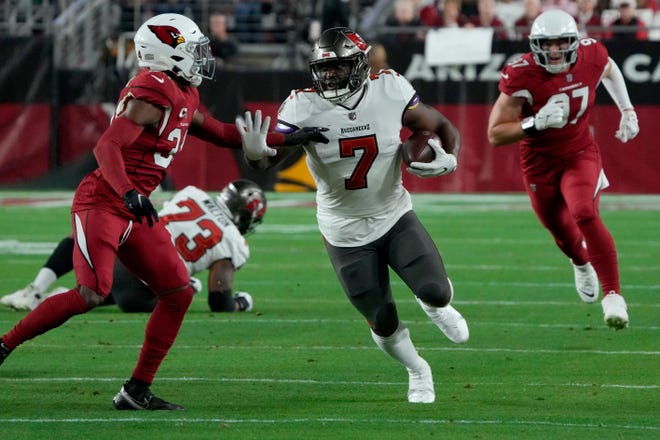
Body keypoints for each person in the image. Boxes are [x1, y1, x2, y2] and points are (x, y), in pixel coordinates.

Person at [0, 13, 326, 410]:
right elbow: (107, 147)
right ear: (167, 54)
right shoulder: (153, 89)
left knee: (177, 292)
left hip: (134, 206)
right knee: (90, 292)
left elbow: (222, 132)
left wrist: (290, 137)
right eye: (192, 50)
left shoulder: (182, 91)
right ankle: (3, 345)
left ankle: (136, 390)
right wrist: (128, 193)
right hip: (104, 201)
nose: (202, 57)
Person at [235, 27, 469, 404]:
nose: (329, 76)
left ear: (360, 65)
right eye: (323, 68)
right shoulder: (300, 105)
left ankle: (433, 306)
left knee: (436, 291)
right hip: (342, 229)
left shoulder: (390, 88)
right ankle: (417, 370)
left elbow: (439, 125)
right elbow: (268, 160)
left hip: (393, 214)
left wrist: (449, 159)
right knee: (382, 320)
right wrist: (254, 152)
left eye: (339, 67)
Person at [486, 9, 639, 330]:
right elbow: (495, 133)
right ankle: (581, 262)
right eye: (547, 44)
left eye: (560, 43)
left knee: (584, 212)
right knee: (562, 232)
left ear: (573, 42)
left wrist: (627, 108)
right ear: (535, 44)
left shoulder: (591, 54)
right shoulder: (522, 73)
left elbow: (610, 70)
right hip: (539, 163)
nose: (554, 50)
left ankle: (613, 295)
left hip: (579, 152)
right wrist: (534, 123)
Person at [1, 180, 266, 314]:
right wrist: (240, 303)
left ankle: (35, 289)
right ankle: (180, 284)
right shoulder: (234, 241)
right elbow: (219, 298)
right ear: (246, 217)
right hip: (137, 293)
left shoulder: (193, 193)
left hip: (123, 253)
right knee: (175, 286)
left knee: (86, 234)